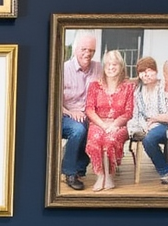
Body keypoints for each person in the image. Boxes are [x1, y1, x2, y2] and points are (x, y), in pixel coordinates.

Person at [85, 49, 133, 191]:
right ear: (104, 67)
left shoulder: (128, 87)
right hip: (98, 122)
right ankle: (100, 175)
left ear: (121, 67)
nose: (111, 68)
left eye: (115, 65)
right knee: (95, 139)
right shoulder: (95, 85)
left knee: (110, 140)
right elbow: (89, 109)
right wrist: (102, 125)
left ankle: (110, 175)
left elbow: (129, 112)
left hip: (119, 123)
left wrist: (115, 124)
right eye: (108, 65)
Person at [60, 30, 101, 190]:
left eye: (91, 50)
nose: (88, 53)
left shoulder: (98, 68)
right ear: (76, 49)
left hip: (88, 115)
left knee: (94, 130)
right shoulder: (63, 69)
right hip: (64, 115)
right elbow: (52, 100)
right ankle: (70, 172)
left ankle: (79, 168)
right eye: (84, 49)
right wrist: (70, 112)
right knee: (78, 130)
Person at [132, 56, 168, 187]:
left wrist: (155, 119)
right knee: (148, 139)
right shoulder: (138, 92)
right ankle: (165, 172)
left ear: (156, 71)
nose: (145, 74)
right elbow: (137, 114)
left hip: (164, 124)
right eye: (142, 72)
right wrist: (145, 126)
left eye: (149, 70)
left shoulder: (163, 87)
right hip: (149, 127)